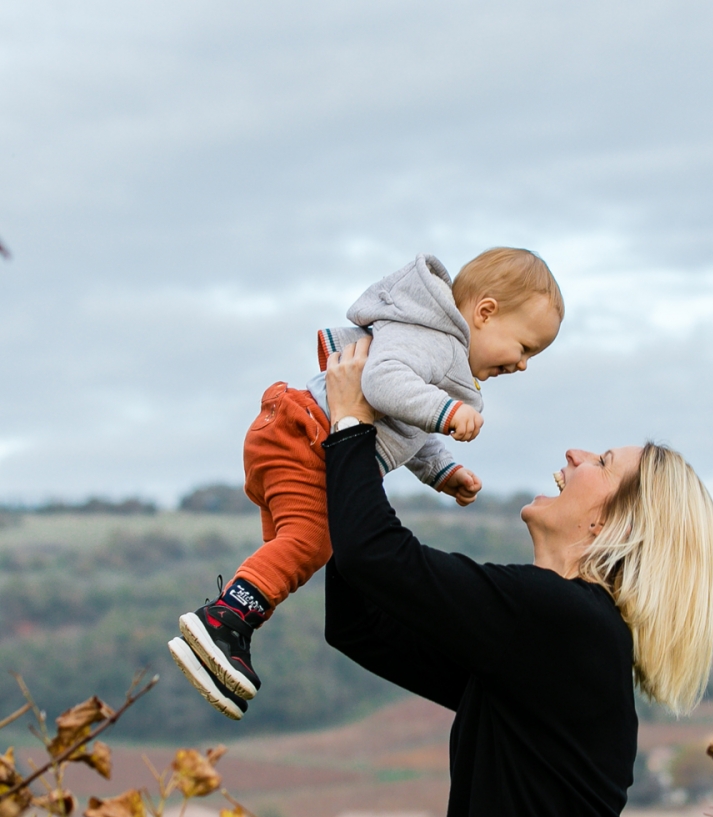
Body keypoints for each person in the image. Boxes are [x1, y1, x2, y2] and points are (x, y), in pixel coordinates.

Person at [317, 339, 713, 817]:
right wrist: (359, 454)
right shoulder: (552, 642)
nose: (572, 454)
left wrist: (353, 429)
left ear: (611, 525)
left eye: (600, 461)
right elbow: (360, 622)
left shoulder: (563, 623)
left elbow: (377, 557)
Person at [167, 248, 564, 719]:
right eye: (525, 348)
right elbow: (382, 383)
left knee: (290, 557)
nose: (523, 366)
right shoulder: (435, 343)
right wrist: (449, 412)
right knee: (309, 542)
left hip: (292, 435)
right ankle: (223, 621)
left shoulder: (441, 353)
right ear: (485, 313)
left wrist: (442, 471)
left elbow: (406, 427)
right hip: (306, 440)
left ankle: (229, 632)